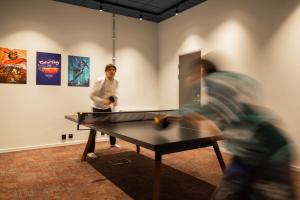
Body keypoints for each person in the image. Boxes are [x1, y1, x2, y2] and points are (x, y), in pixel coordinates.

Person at [180, 56, 295, 200]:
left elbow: (213, 109)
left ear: (202, 71)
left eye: (195, 73)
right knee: (227, 194)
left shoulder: (218, 82)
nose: (192, 77)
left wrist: (191, 112)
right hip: (245, 154)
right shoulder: (221, 93)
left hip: (272, 153)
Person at [88, 64, 120, 157]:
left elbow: (115, 94)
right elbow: (91, 95)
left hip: (107, 108)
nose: (112, 71)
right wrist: (103, 101)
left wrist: (115, 102)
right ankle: (90, 151)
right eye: (109, 69)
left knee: (112, 126)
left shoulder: (116, 82)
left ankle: (113, 143)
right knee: (94, 130)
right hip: (97, 108)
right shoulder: (100, 81)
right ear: (106, 71)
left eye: (114, 70)